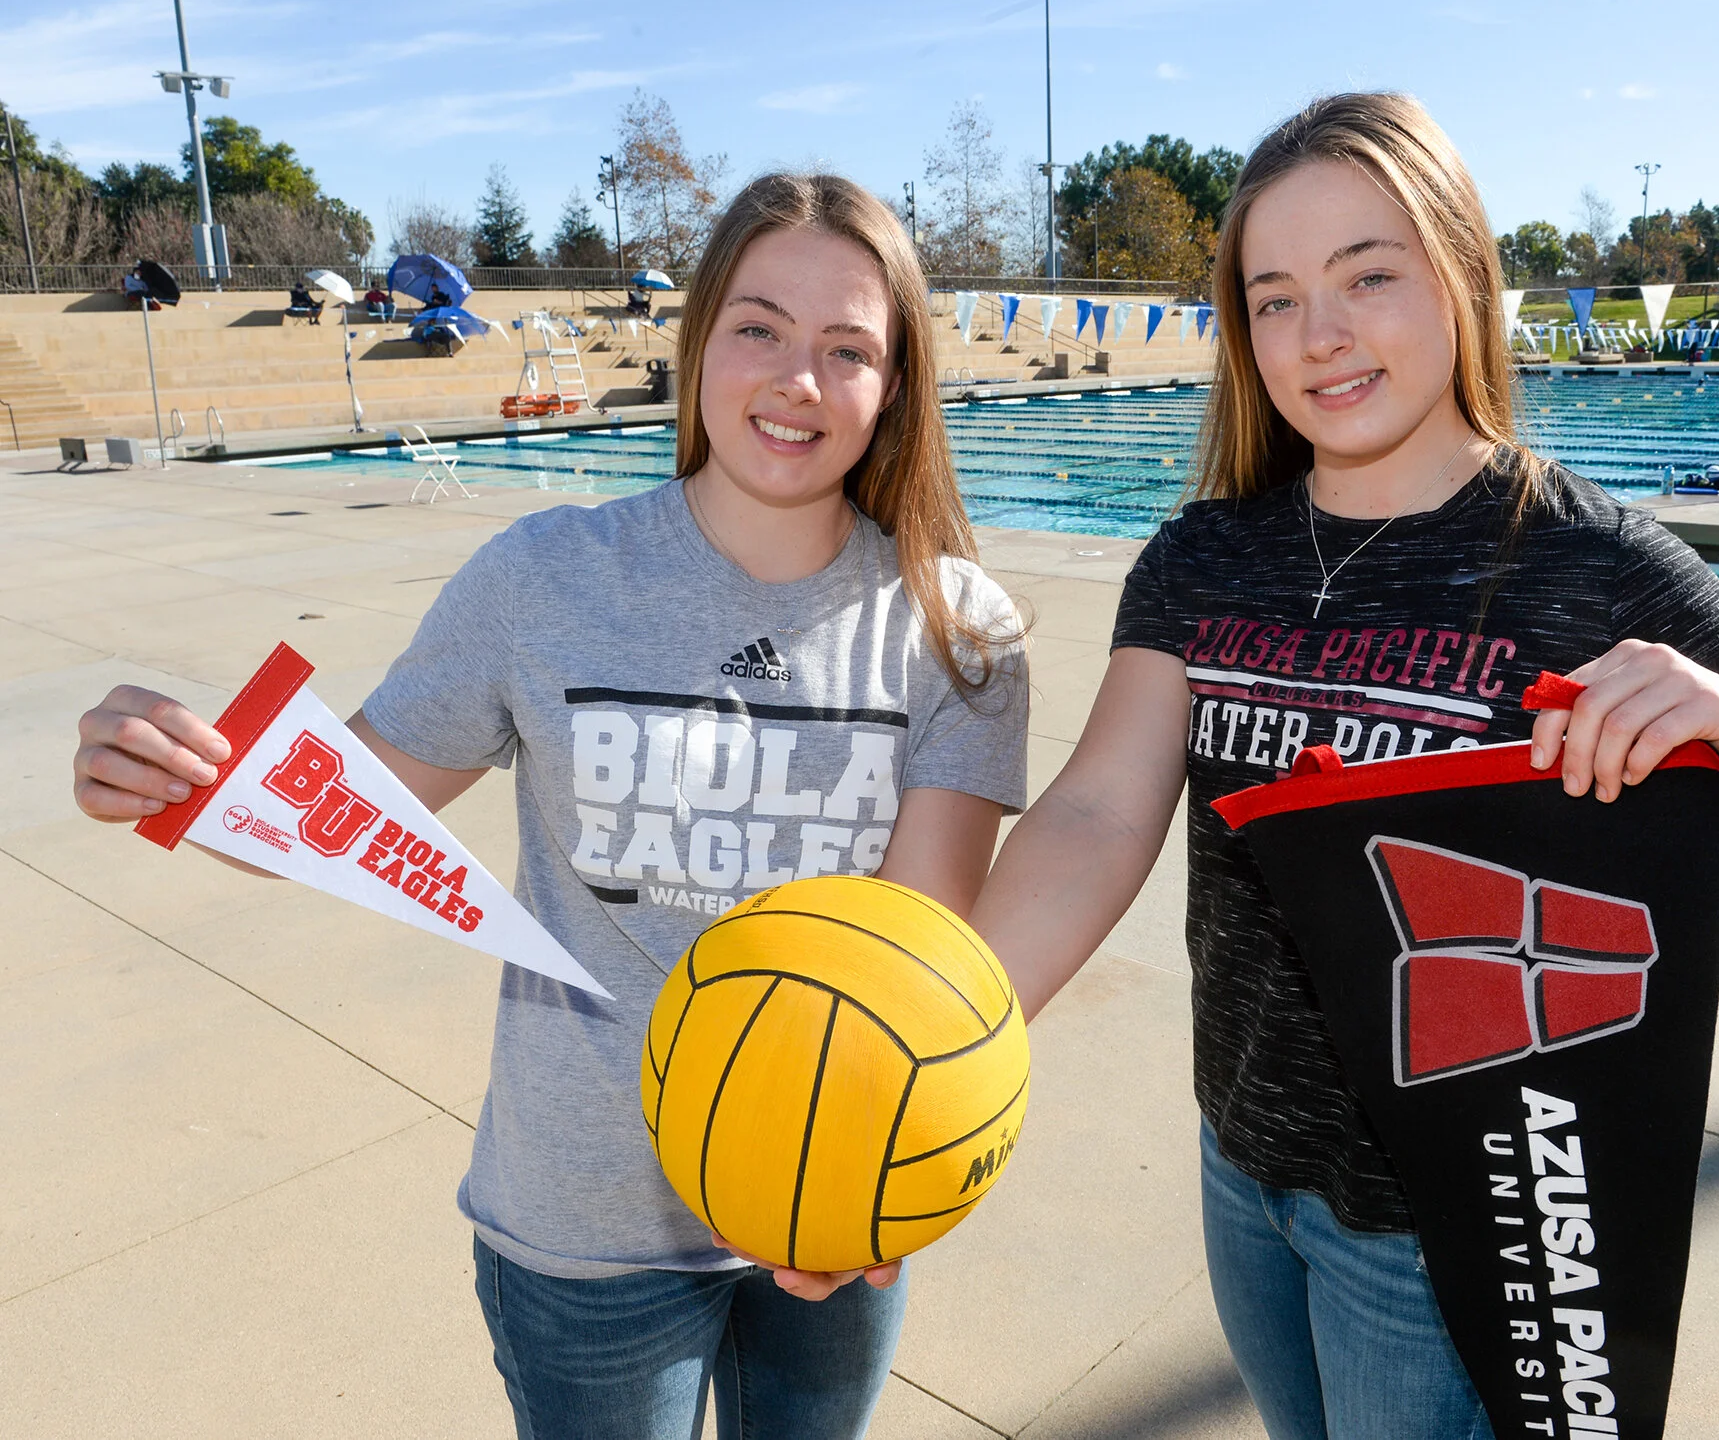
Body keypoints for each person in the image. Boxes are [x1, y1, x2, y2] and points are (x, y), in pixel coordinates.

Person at [969, 92, 1719, 1440]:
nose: (1321, 334)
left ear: (1464, 275)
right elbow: (1100, 811)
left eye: (1369, 277)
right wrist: (937, 1041)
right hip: (1245, 1173)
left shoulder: (1605, 576)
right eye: (1275, 298)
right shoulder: (1204, 558)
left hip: (1453, 1228)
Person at [71, 171, 1028, 1440]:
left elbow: (919, 950)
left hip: (835, 1192)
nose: (796, 377)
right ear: (699, 347)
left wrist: (862, 1171)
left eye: (846, 347)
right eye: (757, 326)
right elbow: (336, 810)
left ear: (893, 383)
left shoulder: (954, 628)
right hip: (584, 1220)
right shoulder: (542, 579)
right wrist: (170, 769)